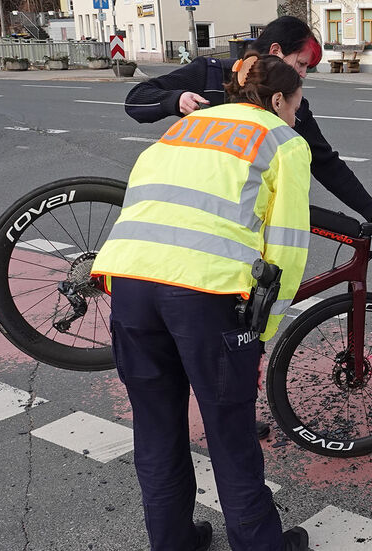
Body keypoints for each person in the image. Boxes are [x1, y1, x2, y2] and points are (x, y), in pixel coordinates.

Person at [125, 15, 372, 440]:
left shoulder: (289, 101)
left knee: (236, 323)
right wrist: (176, 99)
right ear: (276, 53)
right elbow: (136, 100)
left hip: (228, 238)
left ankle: (236, 403)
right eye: (302, 64)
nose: (304, 76)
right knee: (230, 325)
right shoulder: (210, 73)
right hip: (185, 220)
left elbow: (325, 160)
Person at [91, 53, 312, 551]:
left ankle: (173, 542)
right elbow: (287, 249)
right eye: (297, 106)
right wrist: (263, 329)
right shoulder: (283, 141)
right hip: (205, 294)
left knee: (156, 427)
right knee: (231, 433)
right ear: (278, 99)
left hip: (129, 281)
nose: (297, 116)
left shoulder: (186, 127)